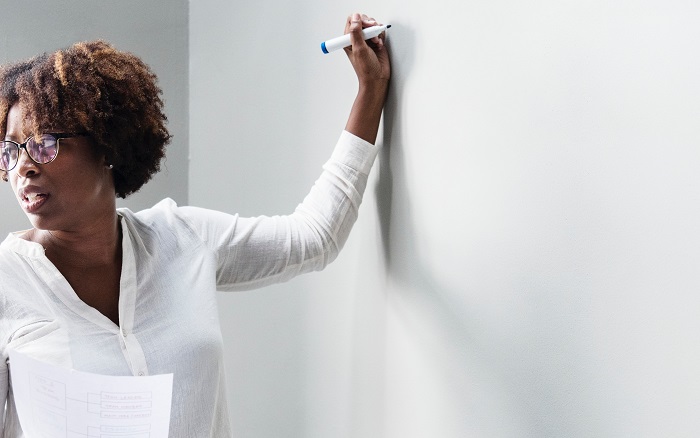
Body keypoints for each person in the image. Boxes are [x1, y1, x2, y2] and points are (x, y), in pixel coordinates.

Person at [0, 12, 390, 436]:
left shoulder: (182, 237)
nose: (23, 167)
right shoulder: (7, 282)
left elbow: (314, 238)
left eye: (43, 144)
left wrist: (369, 93)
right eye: (10, 151)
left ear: (106, 144)